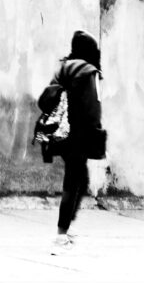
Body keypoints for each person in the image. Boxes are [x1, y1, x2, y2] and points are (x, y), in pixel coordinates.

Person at [39, 30, 103, 255]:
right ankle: (61, 234)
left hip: (61, 133)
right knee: (74, 182)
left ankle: (65, 229)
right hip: (79, 135)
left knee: (79, 180)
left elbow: (47, 98)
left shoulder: (63, 68)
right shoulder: (89, 72)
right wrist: (95, 132)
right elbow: (92, 107)